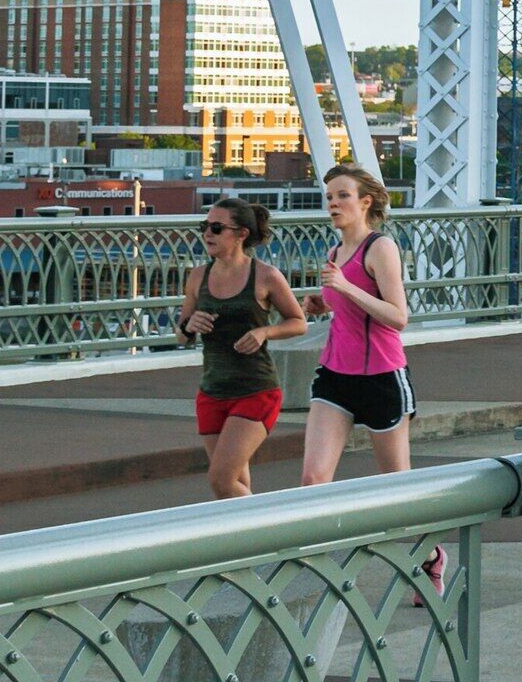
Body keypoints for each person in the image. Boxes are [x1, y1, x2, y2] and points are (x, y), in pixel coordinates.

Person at [178, 197, 309, 500]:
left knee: (221, 479)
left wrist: (265, 331)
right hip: (212, 391)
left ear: (241, 234)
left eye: (216, 227)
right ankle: (253, 546)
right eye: (204, 227)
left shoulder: (265, 276)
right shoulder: (198, 276)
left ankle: (274, 533)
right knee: (234, 486)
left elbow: (298, 322)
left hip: (255, 390)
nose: (207, 233)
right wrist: (189, 325)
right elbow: (182, 335)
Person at [300, 161, 417, 488]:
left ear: (365, 202)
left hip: (381, 375)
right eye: (329, 197)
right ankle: (323, 541)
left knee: (395, 485)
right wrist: (322, 304)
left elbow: (398, 317)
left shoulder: (380, 247)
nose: (333, 203)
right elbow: (347, 304)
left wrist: (344, 287)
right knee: (313, 478)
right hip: (335, 375)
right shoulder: (335, 251)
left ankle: (428, 542)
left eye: (342, 196)